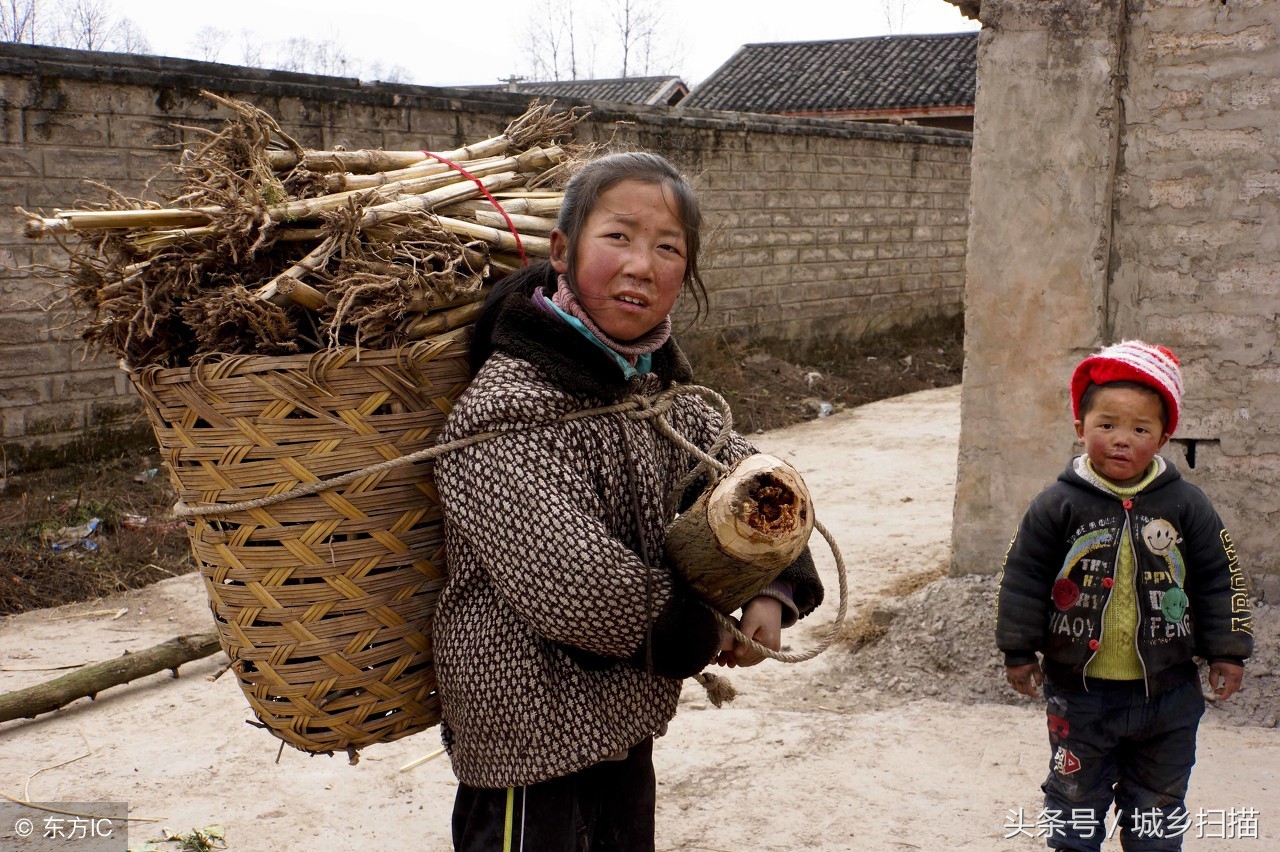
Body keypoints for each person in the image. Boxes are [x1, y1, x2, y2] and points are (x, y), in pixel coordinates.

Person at [432, 151, 824, 852]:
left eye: (667, 248)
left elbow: (751, 480)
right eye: (618, 237)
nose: (642, 265)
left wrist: (769, 587)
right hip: (526, 731)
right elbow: (577, 586)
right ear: (562, 250)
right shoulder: (503, 411)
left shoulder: (656, 396)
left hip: (623, 719)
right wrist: (703, 631)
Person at [996, 340, 1254, 850]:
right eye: (1106, 425)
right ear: (1080, 428)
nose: (1121, 440)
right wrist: (1019, 651)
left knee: (1157, 804)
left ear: (1163, 436)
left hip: (1169, 693)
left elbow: (1219, 577)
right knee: (1074, 800)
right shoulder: (1056, 505)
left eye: (1140, 429)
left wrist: (1228, 652)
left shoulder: (1186, 505)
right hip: (1079, 693)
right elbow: (1022, 577)